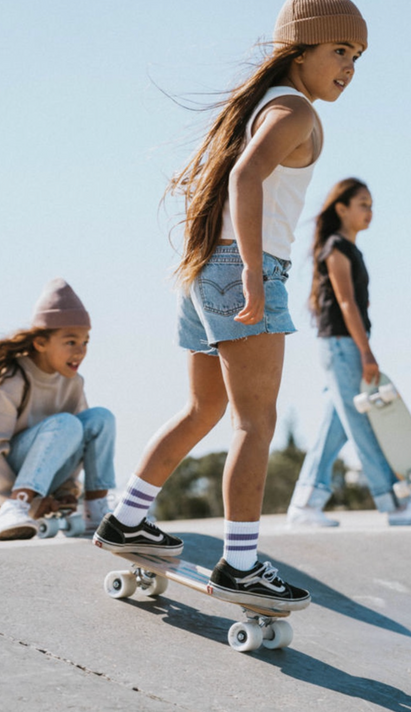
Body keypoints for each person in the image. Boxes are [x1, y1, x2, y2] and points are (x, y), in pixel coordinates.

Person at [93, 0, 369, 610]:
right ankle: (239, 564)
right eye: (339, 51)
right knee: (256, 421)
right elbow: (245, 178)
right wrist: (251, 270)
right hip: (243, 269)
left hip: (205, 268)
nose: (350, 67)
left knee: (204, 407)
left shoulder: (268, 103)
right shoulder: (293, 108)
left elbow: (230, 182)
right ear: (299, 51)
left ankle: (128, 516)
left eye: (357, 57)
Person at [287, 178, 411, 527]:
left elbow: (352, 301)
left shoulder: (348, 249)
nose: (369, 211)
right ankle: (396, 504)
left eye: (371, 205)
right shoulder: (336, 248)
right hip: (343, 347)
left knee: (337, 427)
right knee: (363, 424)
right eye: (363, 204)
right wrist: (367, 352)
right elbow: (346, 304)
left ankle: (304, 504)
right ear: (341, 208)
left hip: (341, 347)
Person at [0, 278, 116, 540]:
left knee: (100, 418)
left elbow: (76, 443)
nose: (81, 351)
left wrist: (66, 491)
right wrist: (11, 501)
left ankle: (96, 512)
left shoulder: (74, 383)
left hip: (45, 479)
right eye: (71, 342)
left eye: (86, 342)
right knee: (66, 423)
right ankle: (16, 507)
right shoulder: (15, 376)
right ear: (41, 343)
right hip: (9, 487)